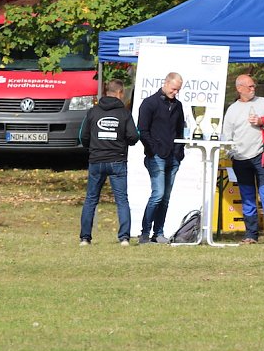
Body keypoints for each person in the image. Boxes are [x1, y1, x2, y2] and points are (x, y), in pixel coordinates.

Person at [223, 74, 264, 245]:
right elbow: (226, 136)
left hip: (262, 157)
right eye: (249, 86)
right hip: (241, 160)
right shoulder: (232, 110)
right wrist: (231, 154)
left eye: (253, 86)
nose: (253, 89)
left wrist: (262, 122)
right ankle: (251, 235)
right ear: (239, 88)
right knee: (247, 197)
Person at [78, 79, 140, 246]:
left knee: (91, 199)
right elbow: (134, 136)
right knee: (122, 200)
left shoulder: (93, 112)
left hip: (96, 160)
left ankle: (85, 238)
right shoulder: (125, 113)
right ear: (120, 93)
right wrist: (123, 141)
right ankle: (124, 238)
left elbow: (82, 136)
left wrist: (92, 148)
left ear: (106, 92)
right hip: (117, 161)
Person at [138, 72, 185, 244]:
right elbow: (142, 131)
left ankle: (158, 232)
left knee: (165, 197)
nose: (175, 93)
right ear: (165, 83)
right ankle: (144, 232)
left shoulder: (178, 106)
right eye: (173, 89)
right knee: (157, 194)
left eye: (178, 90)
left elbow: (180, 130)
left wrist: (180, 151)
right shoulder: (149, 103)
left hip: (173, 156)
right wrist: (153, 150)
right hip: (156, 155)